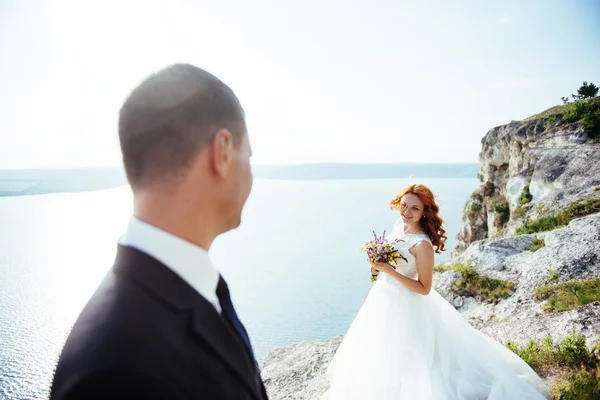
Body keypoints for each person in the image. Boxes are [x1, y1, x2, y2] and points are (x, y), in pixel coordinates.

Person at [50, 64, 268, 400]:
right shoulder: (112, 374)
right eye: (248, 155)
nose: (250, 173)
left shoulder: (195, 287)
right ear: (222, 152)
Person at [321, 184, 551, 400]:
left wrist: (388, 270)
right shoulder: (399, 228)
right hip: (383, 297)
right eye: (404, 205)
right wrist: (376, 267)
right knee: (377, 351)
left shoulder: (422, 245)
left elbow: (424, 288)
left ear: (424, 212)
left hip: (408, 303)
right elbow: (387, 266)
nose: (407, 212)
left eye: (414, 208)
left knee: (412, 356)